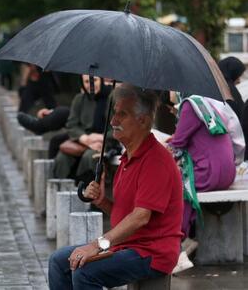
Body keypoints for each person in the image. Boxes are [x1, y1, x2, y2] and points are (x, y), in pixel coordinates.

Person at [48, 84, 183, 289]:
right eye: (114, 113)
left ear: (143, 120)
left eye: (122, 114)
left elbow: (141, 216)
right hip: (129, 245)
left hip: (152, 252)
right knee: (59, 261)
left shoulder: (156, 160)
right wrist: (102, 202)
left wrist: (96, 245)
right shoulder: (128, 157)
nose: (113, 121)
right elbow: (124, 213)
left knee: (85, 272)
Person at [167, 93, 236, 271]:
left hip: (209, 172)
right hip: (226, 173)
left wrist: (165, 146)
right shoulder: (204, 104)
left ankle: (178, 249)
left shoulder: (189, 106)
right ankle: (188, 239)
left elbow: (179, 143)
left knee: (174, 189)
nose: (168, 93)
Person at [53, 75, 114, 183]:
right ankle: (61, 193)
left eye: (94, 80)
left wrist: (100, 137)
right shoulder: (79, 99)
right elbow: (71, 125)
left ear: (101, 80)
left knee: (90, 157)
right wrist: (85, 139)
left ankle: (83, 193)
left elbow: (117, 130)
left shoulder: (112, 100)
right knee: (62, 158)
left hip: (105, 143)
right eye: (86, 81)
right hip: (82, 141)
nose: (91, 84)